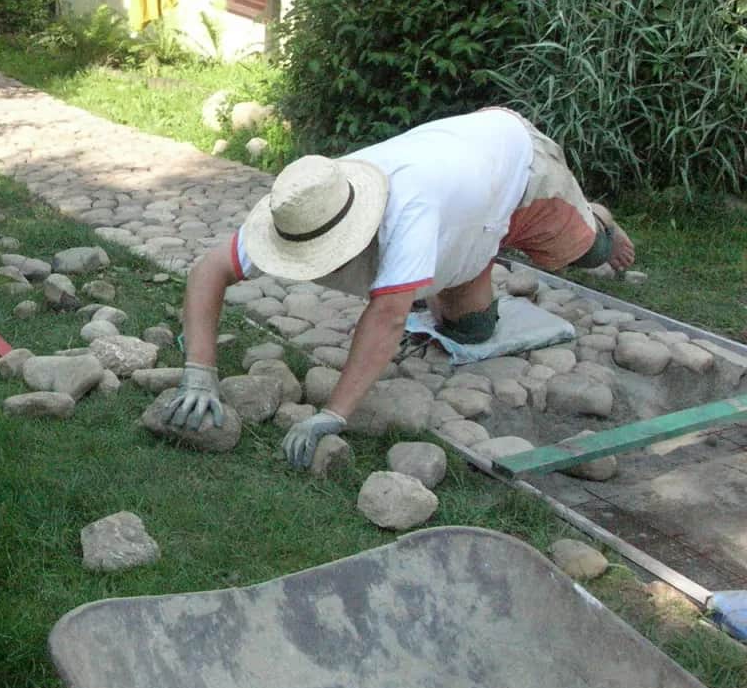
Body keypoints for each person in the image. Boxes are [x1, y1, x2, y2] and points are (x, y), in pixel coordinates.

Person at [163, 107, 634, 468]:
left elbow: (387, 317)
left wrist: (334, 414)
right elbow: (209, 270)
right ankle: (474, 247)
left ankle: (597, 218)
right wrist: (198, 371)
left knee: (582, 253)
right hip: (468, 202)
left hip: (521, 166)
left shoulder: (408, 212)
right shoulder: (303, 202)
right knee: (472, 330)